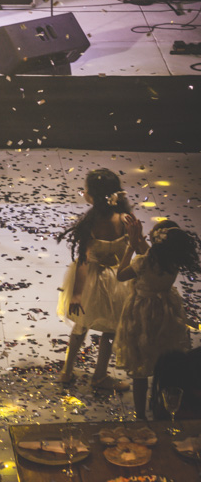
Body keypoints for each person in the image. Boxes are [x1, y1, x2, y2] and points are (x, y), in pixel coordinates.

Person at [114, 218, 199, 420]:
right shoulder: (172, 260)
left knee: (140, 366)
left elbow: (120, 275)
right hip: (166, 312)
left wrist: (130, 246)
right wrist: (141, 241)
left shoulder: (143, 262)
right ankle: (168, 407)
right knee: (165, 359)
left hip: (141, 313)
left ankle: (141, 415)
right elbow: (152, 254)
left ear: (157, 241)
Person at [56, 168, 132, 391]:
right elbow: (132, 250)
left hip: (91, 281)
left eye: (85, 189)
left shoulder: (92, 223)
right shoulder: (126, 219)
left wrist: (78, 294)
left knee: (81, 325)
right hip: (119, 281)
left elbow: (84, 262)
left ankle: (67, 372)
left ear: (93, 196)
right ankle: (99, 376)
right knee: (110, 330)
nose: (83, 192)